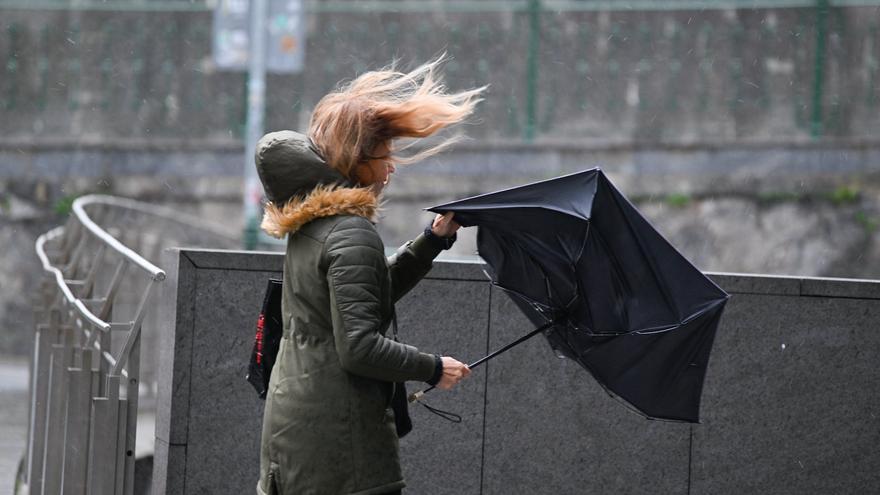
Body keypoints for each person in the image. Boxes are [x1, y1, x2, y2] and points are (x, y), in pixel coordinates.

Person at [255, 57, 486, 495]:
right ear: (358, 162)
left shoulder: (310, 227)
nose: (391, 168)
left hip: (297, 421)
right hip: (341, 444)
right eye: (386, 156)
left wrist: (433, 241)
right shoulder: (350, 232)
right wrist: (433, 368)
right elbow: (359, 348)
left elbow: (362, 296)